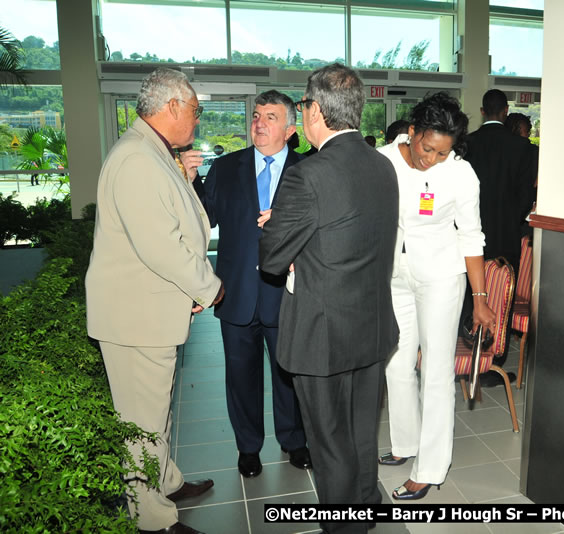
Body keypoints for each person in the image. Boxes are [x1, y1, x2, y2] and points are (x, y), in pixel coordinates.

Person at [259, 64, 399, 534]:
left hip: (322, 333)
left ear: (315, 111)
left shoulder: (308, 176)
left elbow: (273, 259)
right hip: (373, 325)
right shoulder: (383, 165)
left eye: (303, 105)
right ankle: (366, 508)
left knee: (330, 441)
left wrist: (278, 228)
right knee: (361, 430)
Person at [85, 67, 224, 534]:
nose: (198, 120)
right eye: (196, 111)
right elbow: (162, 245)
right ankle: (151, 519)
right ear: (173, 108)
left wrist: (185, 176)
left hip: (146, 312)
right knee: (140, 425)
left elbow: (178, 220)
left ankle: (164, 482)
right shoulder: (138, 158)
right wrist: (211, 286)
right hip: (134, 318)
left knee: (154, 410)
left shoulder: (154, 152)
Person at [377, 92, 495, 500]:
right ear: (412, 132)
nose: (433, 159)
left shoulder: (461, 174)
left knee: (437, 370)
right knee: (395, 363)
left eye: (443, 153)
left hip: (442, 277)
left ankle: (429, 467)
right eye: (428, 148)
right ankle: (406, 444)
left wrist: (479, 298)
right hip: (394, 275)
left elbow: (472, 236)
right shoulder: (383, 161)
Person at [188, 90, 311, 478]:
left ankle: (294, 440)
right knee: (240, 377)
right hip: (237, 293)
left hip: (288, 295)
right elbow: (204, 217)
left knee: (288, 375)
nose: (259, 123)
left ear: (290, 128)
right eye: (257, 115)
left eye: (271, 117)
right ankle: (248, 447)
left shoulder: (309, 170)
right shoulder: (226, 168)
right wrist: (191, 182)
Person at [463, 89, 536, 384]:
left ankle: (467, 353)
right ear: (505, 111)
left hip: (470, 236)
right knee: (501, 297)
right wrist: (511, 218)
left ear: (482, 111)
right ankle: (495, 361)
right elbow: (525, 196)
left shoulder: (467, 144)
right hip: (506, 235)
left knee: (472, 295)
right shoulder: (523, 148)